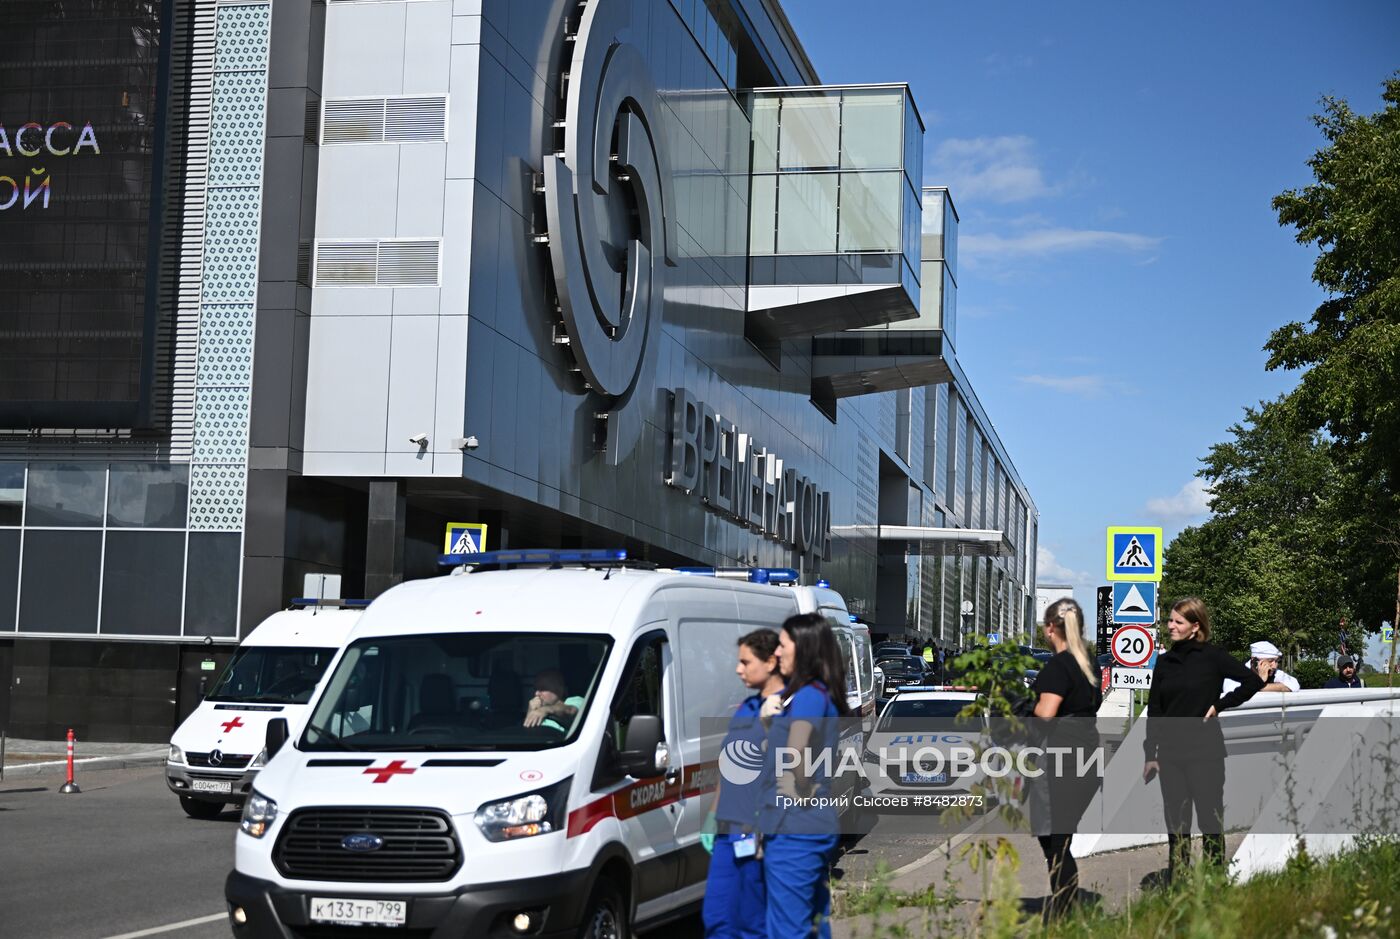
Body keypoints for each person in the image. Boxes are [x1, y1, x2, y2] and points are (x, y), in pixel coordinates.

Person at [1143, 598, 1264, 884]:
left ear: (1195, 627)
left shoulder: (1213, 657)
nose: (1170, 626)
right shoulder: (1164, 662)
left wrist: (1220, 705)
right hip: (1170, 756)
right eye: (1169, 621)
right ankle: (1178, 886)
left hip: (1205, 754)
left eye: (1177, 622)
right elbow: (1155, 709)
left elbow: (1252, 682)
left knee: (1210, 822)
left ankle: (1213, 881)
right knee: (1177, 826)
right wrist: (1150, 753)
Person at [758, 612, 849, 939]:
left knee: (787, 929)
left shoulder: (809, 695)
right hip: (805, 822)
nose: (776, 653)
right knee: (812, 924)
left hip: (794, 824)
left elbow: (796, 753)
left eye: (782, 645)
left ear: (805, 648)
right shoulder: (814, 693)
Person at [702, 629, 783, 939]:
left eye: (745, 662)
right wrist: (713, 812)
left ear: (771, 661)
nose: (739, 669)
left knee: (751, 923)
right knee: (718, 918)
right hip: (728, 830)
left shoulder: (787, 707)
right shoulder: (745, 708)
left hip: (758, 828)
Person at [1029, 598, 1102, 918]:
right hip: (1086, 758)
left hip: (1061, 761)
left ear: (1049, 629)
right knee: (1061, 839)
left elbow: (1044, 715)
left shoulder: (1058, 666)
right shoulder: (1088, 664)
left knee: (1054, 842)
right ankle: (1066, 911)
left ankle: (1062, 915)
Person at [1222, 640, 1300, 694]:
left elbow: (1294, 684)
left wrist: (1260, 686)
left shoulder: (1274, 672)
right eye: (1270, 661)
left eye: (1276, 661)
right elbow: (1231, 691)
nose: (1275, 666)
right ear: (1255, 661)